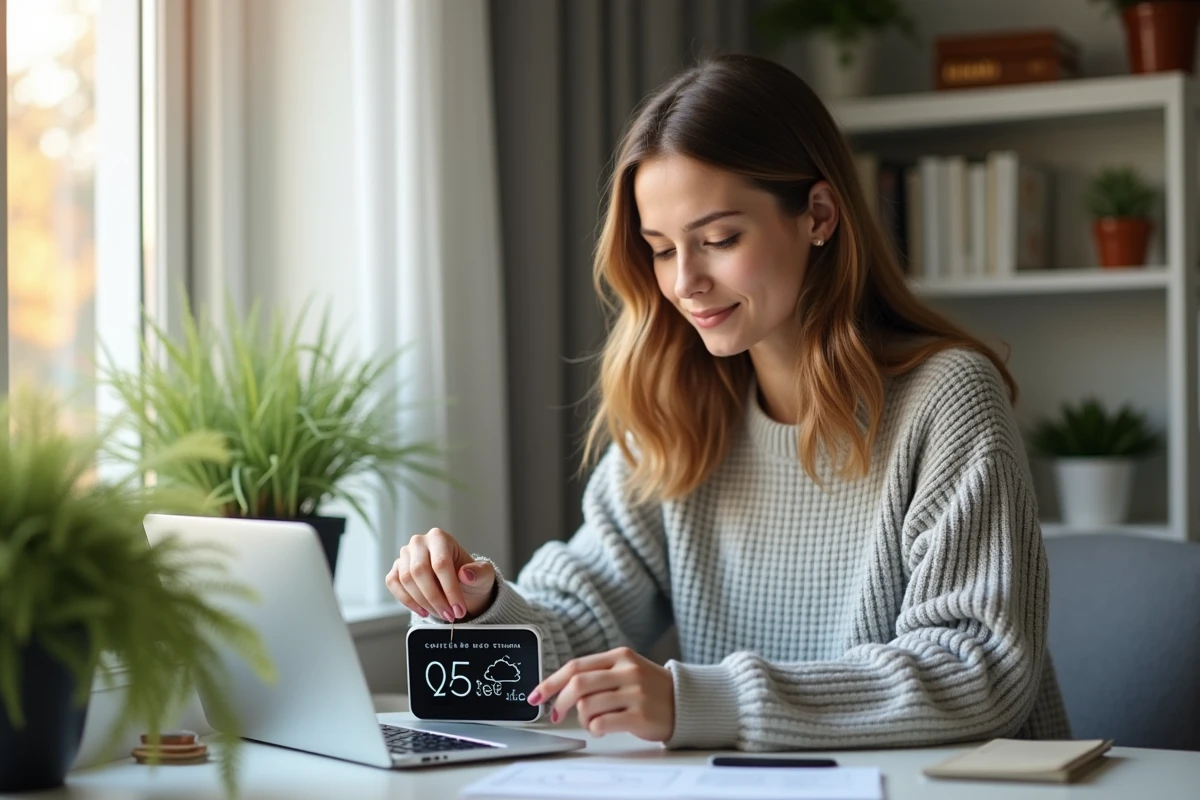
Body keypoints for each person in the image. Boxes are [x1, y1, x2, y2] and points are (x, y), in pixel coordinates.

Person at [385, 53, 1071, 751]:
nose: (685, 283)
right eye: (659, 249)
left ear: (819, 215)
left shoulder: (946, 400)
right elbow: (569, 629)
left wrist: (703, 700)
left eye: (718, 240)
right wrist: (474, 610)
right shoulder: (678, 410)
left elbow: (978, 668)